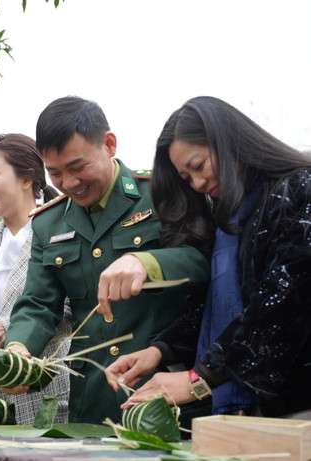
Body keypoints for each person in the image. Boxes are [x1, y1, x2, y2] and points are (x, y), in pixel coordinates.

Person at [2, 96, 210, 424]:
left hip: (165, 393)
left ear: (109, 144)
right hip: (94, 400)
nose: (69, 184)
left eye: (78, 167)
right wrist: (19, 349)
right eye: (55, 173)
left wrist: (149, 263)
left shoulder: (160, 192)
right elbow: (38, 304)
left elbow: (206, 263)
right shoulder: (47, 223)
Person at [106, 96, 311, 418]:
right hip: (256, 412)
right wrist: (159, 350)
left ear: (229, 141)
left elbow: (281, 308)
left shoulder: (298, 192)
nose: (199, 183)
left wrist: (198, 380)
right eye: (187, 179)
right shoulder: (231, 219)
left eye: (198, 166)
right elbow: (214, 308)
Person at [0, 133, 73, 425]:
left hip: (38, 390)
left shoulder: (63, 232)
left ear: (27, 178)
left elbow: (70, 305)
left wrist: (7, 328)